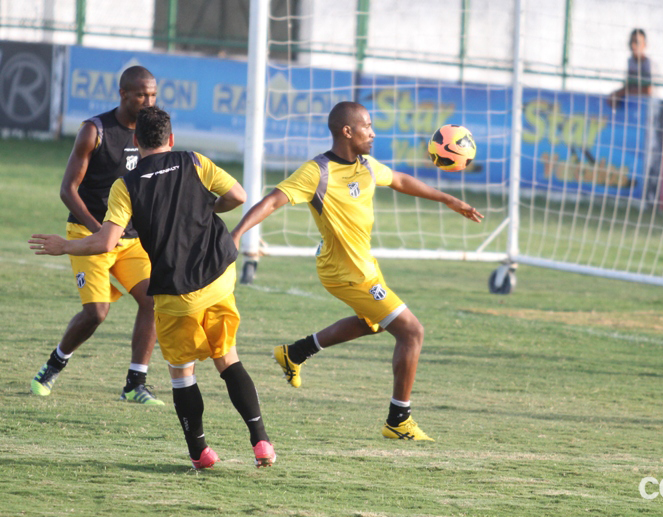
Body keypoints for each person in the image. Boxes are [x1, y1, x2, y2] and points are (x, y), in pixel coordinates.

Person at [30, 106, 276, 469]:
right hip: (220, 279)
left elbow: (105, 241)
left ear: (135, 141)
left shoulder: (126, 185)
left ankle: (200, 452)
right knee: (228, 359)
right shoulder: (193, 160)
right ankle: (262, 443)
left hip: (176, 294)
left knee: (182, 373)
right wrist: (208, 209)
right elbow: (237, 196)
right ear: (171, 139)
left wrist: (64, 245)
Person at [231, 101, 483, 441]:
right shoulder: (317, 172)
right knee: (412, 332)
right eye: (367, 126)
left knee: (373, 323)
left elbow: (400, 180)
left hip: (364, 265)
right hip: (345, 272)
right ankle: (398, 419)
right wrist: (236, 234)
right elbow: (272, 200)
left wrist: (449, 200)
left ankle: (295, 352)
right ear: (347, 131)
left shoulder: (366, 165)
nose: (373, 132)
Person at [30, 66, 163, 405]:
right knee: (96, 313)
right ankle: (53, 365)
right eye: (140, 95)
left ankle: (135, 383)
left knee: (154, 300)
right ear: (123, 95)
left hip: (130, 238)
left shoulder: (154, 132)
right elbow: (67, 189)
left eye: (153, 95)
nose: (148, 102)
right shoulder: (95, 131)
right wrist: (98, 228)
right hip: (88, 232)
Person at [609, 29, 653, 108]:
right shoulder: (631, 61)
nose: (633, 46)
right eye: (631, 42)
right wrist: (617, 93)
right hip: (634, 105)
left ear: (644, 45)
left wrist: (622, 93)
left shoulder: (649, 64)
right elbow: (628, 86)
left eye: (637, 42)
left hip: (648, 108)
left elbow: (647, 91)